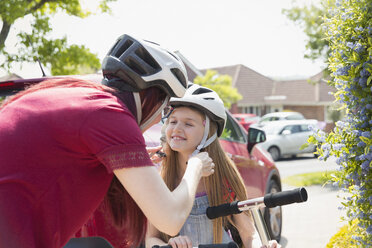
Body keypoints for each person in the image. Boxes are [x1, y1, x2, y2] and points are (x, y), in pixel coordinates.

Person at [0, 34, 215, 248]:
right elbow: (170, 219)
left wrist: (127, 158)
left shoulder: (79, 95)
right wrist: (195, 165)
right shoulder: (111, 114)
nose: (161, 117)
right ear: (151, 96)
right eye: (166, 109)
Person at [145, 84, 281, 248]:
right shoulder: (162, 178)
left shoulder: (222, 179)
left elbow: (248, 233)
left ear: (208, 132)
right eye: (172, 121)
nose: (177, 129)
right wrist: (168, 244)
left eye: (188, 124)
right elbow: (150, 238)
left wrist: (260, 246)